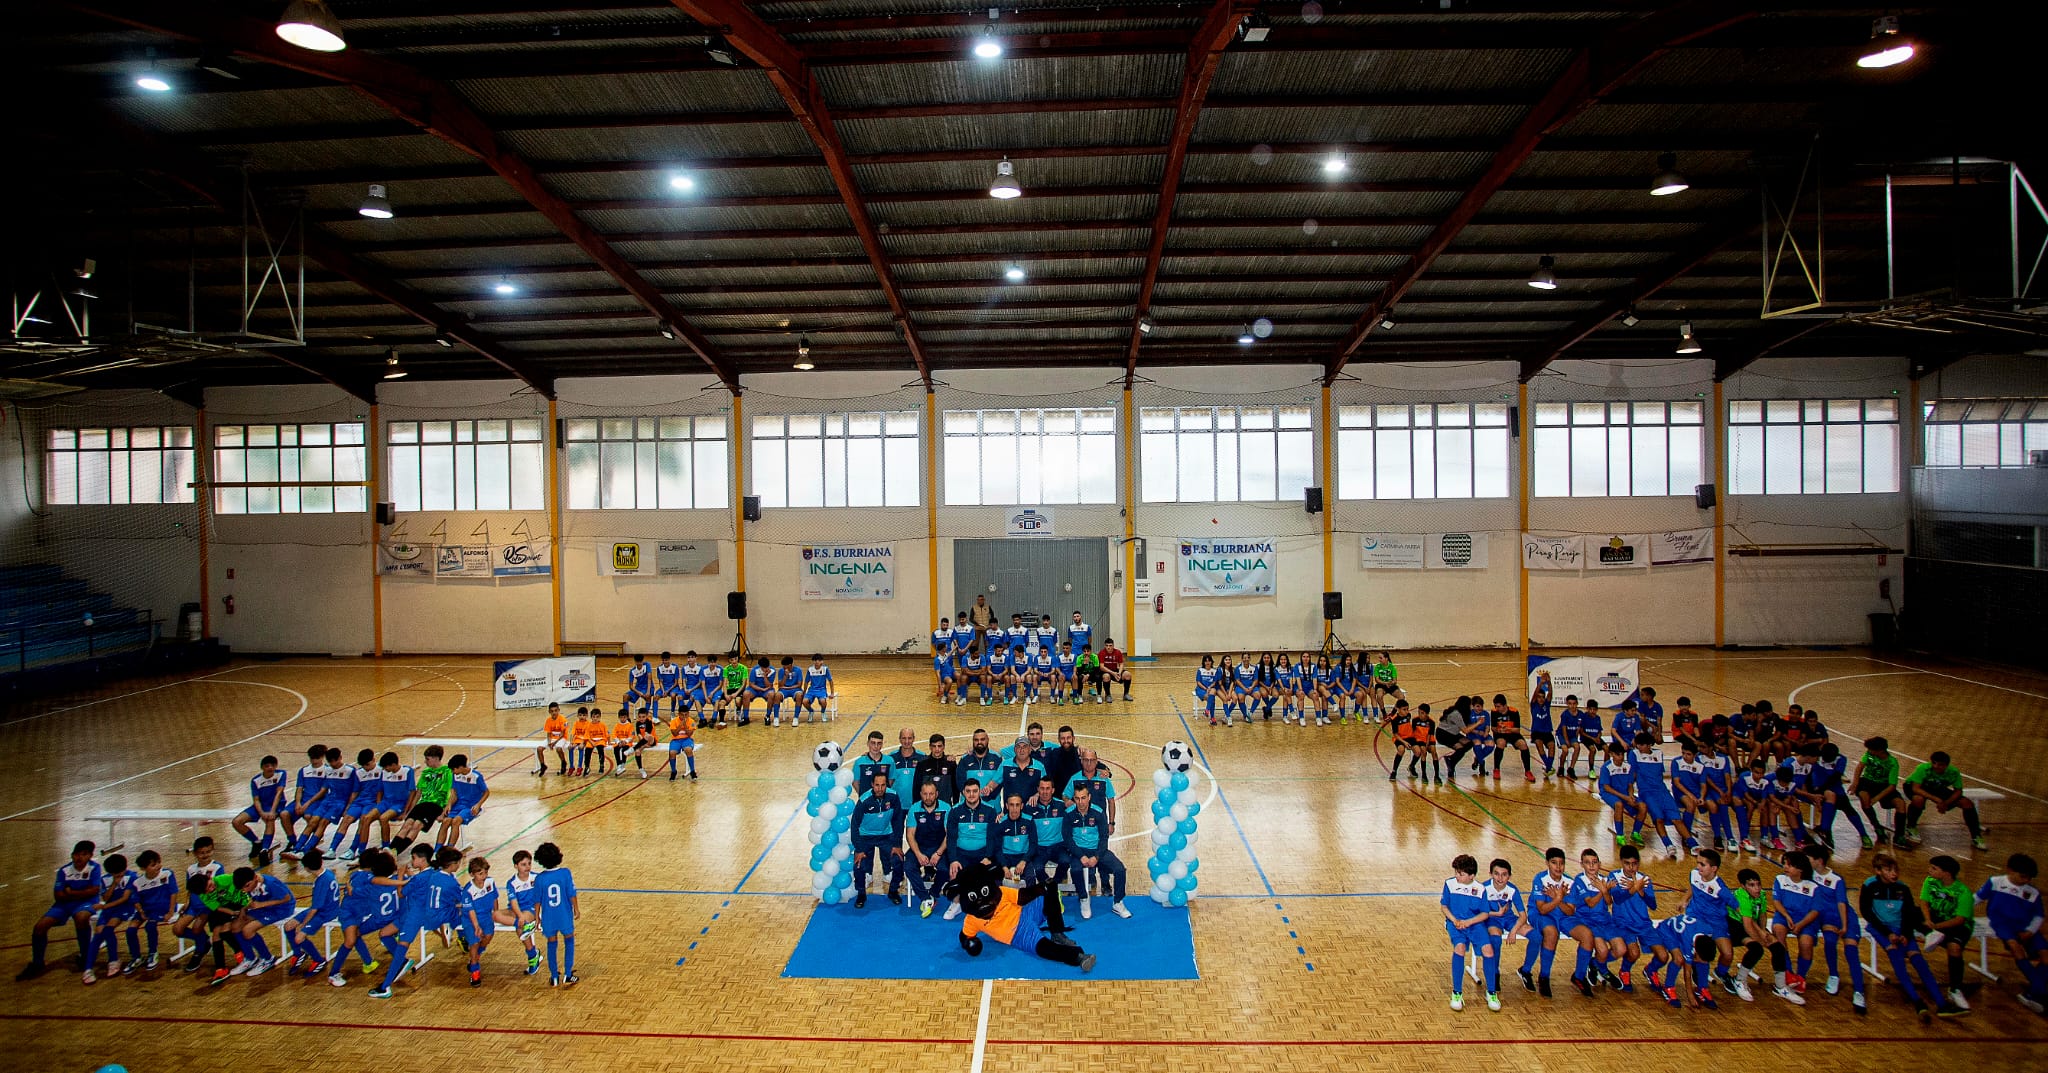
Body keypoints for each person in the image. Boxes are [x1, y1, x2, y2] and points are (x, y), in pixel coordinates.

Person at [1862, 853, 1965, 1021]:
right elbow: (1867, 913)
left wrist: (1904, 934)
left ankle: (1941, 1004)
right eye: (1889, 870)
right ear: (1878, 871)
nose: (1894, 873)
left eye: (1896, 869)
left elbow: (1909, 914)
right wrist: (1888, 934)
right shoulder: (1869, 886)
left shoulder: (1903, 888)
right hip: (1880, 929)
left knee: (1919, 962)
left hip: (1900, 929)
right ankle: (1918, 1002)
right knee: (1897, 960)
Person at [945, 860, 1094, 972]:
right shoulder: (972, 920)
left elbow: (1022, 896)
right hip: (1017, 934)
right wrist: (969, 944)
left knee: (1050, 887)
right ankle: (1078, 957)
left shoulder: (1002, 892)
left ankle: (1057, 932)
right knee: (1044, 949)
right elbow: (965, 936)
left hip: (1025, 911)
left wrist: (1042, 886)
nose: (982, 902)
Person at [370, 847, 471, 999]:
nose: (411, 860)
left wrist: (401, 876)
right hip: (413, 914)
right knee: (384, 934)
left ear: (422, 859)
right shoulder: (433, 873)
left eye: (414, 857)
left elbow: (401, 893)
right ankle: (405, 962)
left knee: (402, 947)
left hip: (413, 916)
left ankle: (385, 987)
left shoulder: (420, 878)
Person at [1977, 852, 2048, 1013]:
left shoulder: (2032, 892)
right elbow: (1977, 898)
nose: (2026, 881)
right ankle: (2040, 989)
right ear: (2010, 870)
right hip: (2002, 923)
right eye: (2023, 876)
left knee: (2045, 954)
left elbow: (2038, 916)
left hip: (2025, 926)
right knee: (2015, 946)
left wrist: (2030, 931)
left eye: (2029, 878)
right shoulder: (1995, 882)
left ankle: (2034, 991)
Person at [326, 849, 400, 987]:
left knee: (358, 934)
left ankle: (368, 962)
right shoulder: (369, 878)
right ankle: (333, 973)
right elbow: (380, 883)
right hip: (350, 913)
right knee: (350, 941)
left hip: (362, 912)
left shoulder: (357, 874)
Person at [1727, 867, 1799, 1005]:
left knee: (1778, 948)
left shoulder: (1761, 895)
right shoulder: (1741, 897)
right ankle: (1739, 980)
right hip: (1734, 926)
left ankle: (1780, 986)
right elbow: (1747, 925)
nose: (1757, 888)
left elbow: (1762, 914)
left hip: (1750, 923)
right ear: (1743, 886)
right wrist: (1762, 941)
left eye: (1758, 884)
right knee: (1757, 949)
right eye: (1752, 885)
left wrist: (1763, 931)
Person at [1442, 853, 1498, 1012]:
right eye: (1456, 872)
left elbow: (1484, 914)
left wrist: (1469, 922)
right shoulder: (1450, 884)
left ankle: (1491, 992)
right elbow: (1444, 906)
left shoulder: (1480, 889)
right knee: (1459, 947)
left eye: (1461, 873)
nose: (1457, 876)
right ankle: (1457, 993)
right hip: (1455, 924)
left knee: (1488, 950)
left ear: (1472, 875)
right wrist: (1454, 920)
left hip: (1474, 924)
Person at [1064, 784, 1129, 920]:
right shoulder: (1069, 814)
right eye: (1077, 798)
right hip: (1079, 851)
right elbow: (1068, 839)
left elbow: (1104, 837)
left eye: (1083, 798)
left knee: (1120, 869)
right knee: (1075, 870)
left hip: (1097, 850)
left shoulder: (1098, 812)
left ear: (1089, 797)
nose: (1081, 802)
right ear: (1074, 799)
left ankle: (1118, 902)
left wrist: (1096, 857)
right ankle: (1083, 898)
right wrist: (1081, 856)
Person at [1897, 751, 1986, 850]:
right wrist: (1937, 799)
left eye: (1940, 765)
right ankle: (1911, 826)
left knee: (1967, 803)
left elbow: (1958, 792)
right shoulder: (1922, 768)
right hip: (1915, 786)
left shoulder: (1953, 772)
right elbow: (1916, 789)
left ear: (1946, 766)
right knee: (1919, 799)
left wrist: (1945, 803)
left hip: (1936, 787)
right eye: (1934, 763)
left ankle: (1976, 836)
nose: (1936, 766)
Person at [1921, 854, 1977, 1011]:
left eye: (1934, 868)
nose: (1929, 870)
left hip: (1955, 925)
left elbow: (1960, 920)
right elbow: (1924, 902)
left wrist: (1936, 926)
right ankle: (1929, 934)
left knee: (1955, 949)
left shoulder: (1963, 892)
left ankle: (1955, 989)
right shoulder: (1930, 881)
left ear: (1947, 873)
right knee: (1911, 912)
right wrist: (1928, 921)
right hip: (1936, 919)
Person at [1516, 847, 1572, 997]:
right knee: (1551, 933)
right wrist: (1559, 899)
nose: (1558, 867)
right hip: (1539, 914)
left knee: (1584, 933)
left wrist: (1558, 900)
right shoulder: (1540, 879)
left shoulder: (1568, 882)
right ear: (1547, 863)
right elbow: (1542, 909)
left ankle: (1588, 969)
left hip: (1560, 915)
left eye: (1561, 863)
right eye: (1554, 863)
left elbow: (1570, 911)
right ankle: (1544, 976)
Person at [941, 780, 999, 920]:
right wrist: (954, 859)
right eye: (968, 791)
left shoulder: (990, 810)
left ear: (979, 792)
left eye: (974, 791)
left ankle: (992, 905)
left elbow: (992, 838)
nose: (971, 794)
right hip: (962, 853)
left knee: (993, 872)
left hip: (983, 853)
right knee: (954, 870)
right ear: (963, 793)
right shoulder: (955, 811)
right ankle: (957, 903)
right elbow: (952, 838)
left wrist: (988, 857)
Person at [850, 771, 907, 909]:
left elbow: (898, 821)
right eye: (877, 785)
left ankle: (893, 892)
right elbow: (855, 825)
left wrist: (896, 844)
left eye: (883, 785)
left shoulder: (893, 797)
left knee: (899, 860)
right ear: (872, 785)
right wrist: (858, 849)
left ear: (887, 785)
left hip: (886, 836)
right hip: (866, 837)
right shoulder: (864, 800)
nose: (880, 788)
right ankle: (861, 894)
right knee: (859, 864)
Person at [1607, 845, 1657, 992]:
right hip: (1623, 923)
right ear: (1621, 862)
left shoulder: (1645, 879)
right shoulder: (1614, 876)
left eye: (1634, 864)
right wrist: (1633, 888)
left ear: (1638, 863)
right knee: (1634, 953)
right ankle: (1623, 971)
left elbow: (1653, 905)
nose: (1631, 867)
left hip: (1643, 924)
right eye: (1627, 863)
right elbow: (1617, 899)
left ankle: (1650, 970)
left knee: (1662, 955)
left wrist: (1641, 891)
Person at [1567, 848, 1616, 997]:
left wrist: (1605, 891)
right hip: (1587, 921)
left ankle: (1595, 964)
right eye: (1588, 863)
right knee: (1603, 950)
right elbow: (1590, 903)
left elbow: (1609, 902)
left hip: (1605, 920)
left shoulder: (1605, 880)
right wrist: (1602, 890)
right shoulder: (1580, 880)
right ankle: (1592, 971)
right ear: (1582, 864)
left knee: (1621, 949)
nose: (1592, 866)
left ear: (1599, 864)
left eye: (1594, 862)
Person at [283, 849, 340, 978]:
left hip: (325, 912)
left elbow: (315, 909)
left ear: (307, 868)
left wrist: (303, 924)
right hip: (320, 909)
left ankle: (319, 960)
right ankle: (299, 954)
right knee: (288, 926)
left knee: (298, 936)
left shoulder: (321, 882)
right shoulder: (327, 874)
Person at [388, 744, 452, 856]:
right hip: (422, 804)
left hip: (436, 805)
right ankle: (390, 850)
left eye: (428, 759)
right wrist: (409, 811)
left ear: (436, 758)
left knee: (416, 825)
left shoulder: (447, 772)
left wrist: (443, 812)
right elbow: (418, 793)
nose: (425, 762)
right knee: (407, 824)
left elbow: (450, 793)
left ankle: (396, 852)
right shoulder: (426, 773)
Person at [80, 852, 134, 984]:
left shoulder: (132, 877)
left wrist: (104, 907)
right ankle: (88, 968)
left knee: (108, 929)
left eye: (120, 874)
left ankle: (113, 960)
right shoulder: (105, 880)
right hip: (109, 908)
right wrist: (114, 885)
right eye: (115, 875)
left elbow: (125, 898)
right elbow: (105, 897)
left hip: (124, 908)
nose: (119, 877)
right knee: (98, 934)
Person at [229, 755, 294, 864]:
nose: (270, 768)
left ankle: (264, 849)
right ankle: (256, 842)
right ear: (262, 767)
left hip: (276, 805)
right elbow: (256, 799)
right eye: (267, 766)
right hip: (260, 806)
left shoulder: (281, 774)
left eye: (272, 765)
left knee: (270, 820)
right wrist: (261, 812)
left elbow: (279, 794)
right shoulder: (256, 780)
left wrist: (272, 811)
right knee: (236, 822)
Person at [236, 867, 297, 976]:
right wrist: (243, 910)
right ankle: (250, 958)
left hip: (281, 909)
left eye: (247, 886)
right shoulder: (250, 884)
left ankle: (268, 959)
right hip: (265, 908)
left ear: (255, 878)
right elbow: (251, 898)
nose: (245, 890)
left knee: (248, 930)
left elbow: (286, 898)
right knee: (236, 926)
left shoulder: (270, 883)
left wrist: (261, 905)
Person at [533, 842, 579, 986]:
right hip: (564, 914)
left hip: (549, 917)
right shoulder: (565, 873)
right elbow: (571, 893)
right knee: (569, 940)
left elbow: (537, 900)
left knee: (551, 943)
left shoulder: (540, 878)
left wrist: (537, 918)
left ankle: (553, 976)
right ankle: (568, 973)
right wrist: (576, 908)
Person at [902, 781, 951, 917]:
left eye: (931, 794)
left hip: (940, 847)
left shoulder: (946, 808)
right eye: (925, 794)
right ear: (921, 794)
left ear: (937, 794)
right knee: (908, 866)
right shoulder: (914, 809)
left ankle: (933, 893)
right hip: (920, 847)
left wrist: (939, 853)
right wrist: (918, 854)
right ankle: (925, 898)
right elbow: (910, 835)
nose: (928, 797)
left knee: (946, 869)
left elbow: (949, 834)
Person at [126, 849, 178, 972]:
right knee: (130, 930)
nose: (158, 866)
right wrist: (141, 912)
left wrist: (170, 911)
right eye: (154, 865)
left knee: (150, 926)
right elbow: (136, 900)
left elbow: (173, 893)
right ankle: (136, 957)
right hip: (146, 909)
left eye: (159, 862)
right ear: (144, 868)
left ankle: (152, 953)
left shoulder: (167, 874)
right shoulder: (138, 882)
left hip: (162, 907)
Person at [1025, 778, 1071, 893]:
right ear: (1038, 790)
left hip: (1058, 846)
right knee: (1038, 868)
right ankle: (1050, 888)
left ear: (1053, 790)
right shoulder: (1029, 808)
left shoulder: (1061, 806)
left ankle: (1054, 884)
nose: (1045, 792)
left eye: (1048, 788)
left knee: (1065, 861)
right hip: (1039, 848)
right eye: (1042, 788)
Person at [436, 755, 490, 849]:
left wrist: (478, 805)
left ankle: (449, 849)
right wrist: (449, 805)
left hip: (470, 807)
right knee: (445, 821)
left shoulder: (476, 776)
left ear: (460, 767)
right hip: (458, 805)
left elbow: (486, 792)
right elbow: (454, 793)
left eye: (454, 769)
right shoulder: (455, 776)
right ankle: (437, 849)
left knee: (456, 821)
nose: (452, 772)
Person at [1490, 694, 1533, 783]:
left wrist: (1507, 729)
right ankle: (1496, 769)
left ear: (1505, 705)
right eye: (1495, 706)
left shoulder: (1514, 711)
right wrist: (1498, 730)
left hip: (1512, 733)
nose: (1497, 708)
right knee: (1501, 743)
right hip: (1500, 734)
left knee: (1523, 745)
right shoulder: (1494, 712)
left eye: (1498, 706)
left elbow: (1517, 730)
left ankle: (1528, 771)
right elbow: (1493, 728)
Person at [995, 793, 1036, 885]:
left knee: (1031, 878)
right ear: (1007, 806)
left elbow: (1033, 845)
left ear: (1021, 806)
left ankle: (1028, 899)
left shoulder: (1029, 821)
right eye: (1011, 805)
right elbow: (997, 848)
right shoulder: (1001, 822)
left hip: (1023, 856)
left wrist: (1024, 861)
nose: (1014, 808)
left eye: (1017, 805)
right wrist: (1004, 867)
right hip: (1006, 856)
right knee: (997, 880)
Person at [999, 738, 1047, 809]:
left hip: (1032, 812)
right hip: (1011, 813)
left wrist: (1037, 795)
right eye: (1019, 747)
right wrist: (988, 788)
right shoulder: (1005, 765)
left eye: (1025, 746)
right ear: (1015, 749)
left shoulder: (1039, 766)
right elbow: (994, 783)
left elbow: (1046, 787)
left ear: (1030, 749)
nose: (1021, 750)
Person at [959, 729, 1004, 800]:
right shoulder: (965, 759)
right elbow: (960, 781)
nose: (979, 742)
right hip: (969, 806)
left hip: (992, 805)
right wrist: (971, 799)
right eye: (976, 740)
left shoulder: (997, 758)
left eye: (982, 739)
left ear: (988, 740)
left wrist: (989, 796)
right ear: (973, 741)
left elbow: (1000, 780)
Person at [915, 734, 960, 804]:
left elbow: (955, 787)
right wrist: (917, 805)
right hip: (926, 806)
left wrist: (956, 804)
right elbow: (916, 787)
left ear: (944, 747)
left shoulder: (951, 764)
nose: (937, 749)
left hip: (946, 805)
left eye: (939, 746)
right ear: (930, 747)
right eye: (934, 746)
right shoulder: (922, 764)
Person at [889, 727, 927, 809]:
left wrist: (947, 757)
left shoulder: (922, 757)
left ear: (914, 739)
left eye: (909, 738)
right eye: (904, 738)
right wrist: (868, 755)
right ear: (899, 739)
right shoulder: (891, 758)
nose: (907, 741)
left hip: (917, 805)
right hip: (896, 805)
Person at [664, 705, 699, 781]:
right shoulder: (674, 721)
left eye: (686, 715)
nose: (684, 717)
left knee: (688, 750)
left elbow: (689, 734)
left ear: (688, 714)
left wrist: (685, 726)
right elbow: (674, 734)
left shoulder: (692, 722)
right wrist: (680, 726)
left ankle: (692, 771)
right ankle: (673, 771)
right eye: (682, 715)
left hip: (687, 739)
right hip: (676, 740)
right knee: (672, 752)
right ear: (679, 714)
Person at [537, 702, 568, 776]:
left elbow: (562, 734)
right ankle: (543, 765)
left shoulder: (563, 719)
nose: (554, 712)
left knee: (559, 749)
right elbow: (548, 733)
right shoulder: (548, 720)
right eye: (552, 711)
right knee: (539, 749)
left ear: (558, 710)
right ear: (549, 712)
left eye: (555, 710)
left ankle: (563, 762)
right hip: (552, 738)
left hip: (561, 738)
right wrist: (549, 742)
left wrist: (554, 743)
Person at [773, 656, 805, 727]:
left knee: (799, 696)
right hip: (784, 690)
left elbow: (799, 685)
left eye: (785, 665)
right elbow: (780, 685)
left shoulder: (798, 670)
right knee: (777, 695)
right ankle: (776, 718)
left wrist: (789, 687)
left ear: (790, 665)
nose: (784, 667)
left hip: (795, 689)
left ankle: (796, 718)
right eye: (783, 665)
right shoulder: (781, 671)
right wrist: (785, 676)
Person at [1098, 637, 1131, 702]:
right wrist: (1113, 673)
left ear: (1113, 646)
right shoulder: (1101, 653)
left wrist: (1119, 672)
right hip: (1106, 671)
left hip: (1115, 671)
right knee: (1106, 676)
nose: (1108, 647)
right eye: (1107, 646)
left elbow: (1121, 664)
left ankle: (1126, 694)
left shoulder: (1118, 652)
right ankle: (1108, 695)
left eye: (1110, 646)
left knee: (1128, 674)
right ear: (1105, 646)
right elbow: (1101, 667)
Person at [1196, 654, 1223, 725]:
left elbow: (1214, 682)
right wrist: (1205, 688)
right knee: (1211, 698)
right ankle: (1212, 717)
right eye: (1206, 661)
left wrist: (1209, 687)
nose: (1207, 663)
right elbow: (1198, 682)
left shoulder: (1214, 671)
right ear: (1203, 662)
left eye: (1209, 661)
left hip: (1210, 688)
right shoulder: (1200, 670)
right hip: (1201, 689)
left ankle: (1207, 711)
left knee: (1212, 692)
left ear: (1211, 662)